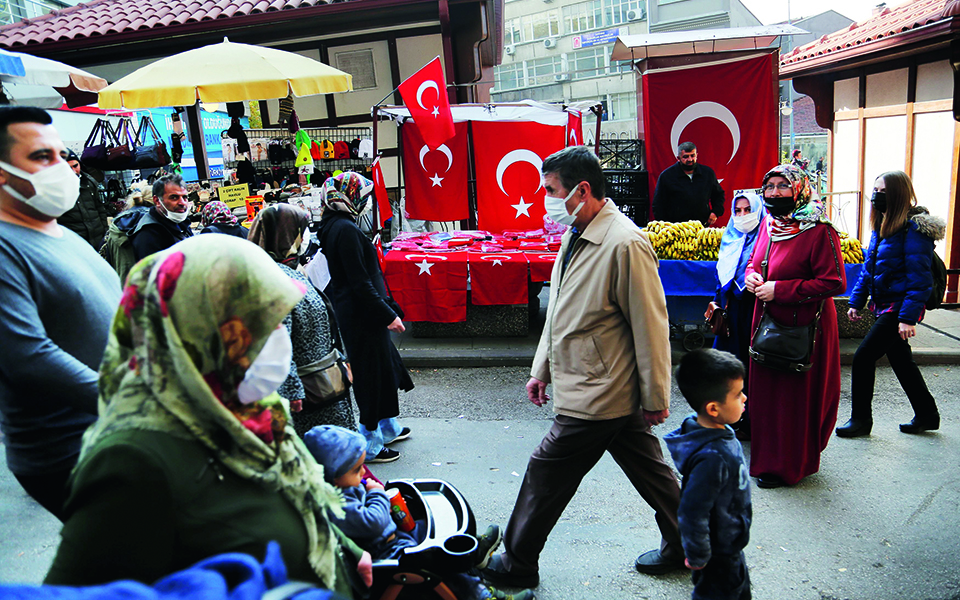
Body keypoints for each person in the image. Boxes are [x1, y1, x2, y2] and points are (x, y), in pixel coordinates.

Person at [44, 235, 372, 598]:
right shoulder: (133, 458)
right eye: (262, 325)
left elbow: (295, 497)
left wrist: (349, 552)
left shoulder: (256, 410)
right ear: (203, 331)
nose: (281, 339)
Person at [481, 146, 683, 590]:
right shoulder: (578, 231)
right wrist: (541, 369)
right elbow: (560, 314)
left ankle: (517, 563)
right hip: (591, 379)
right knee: (650, 470)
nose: (546, 199)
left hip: (600, 391)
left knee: (544, 471)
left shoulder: (625, 242)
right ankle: (690, 542)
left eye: (552, 190)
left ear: (583, 189)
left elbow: (651, 326)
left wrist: (656, 398)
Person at [0, 107, 121, 520]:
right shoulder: (5, 246)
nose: (61, 168)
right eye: (40, 157)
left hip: (120, 433)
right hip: (73, 448)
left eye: (60, 154)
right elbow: (28, 356)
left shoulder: (62, 232)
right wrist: (130, 396)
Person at [303, 425, 530, 600]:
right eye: (356, 470)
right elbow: (373, 522)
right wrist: (376, 493)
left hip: (392, 538)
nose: (364, 472)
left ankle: (471, 550)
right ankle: (481, 594)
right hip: (385, 553)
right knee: (442, 565)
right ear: (330, 477)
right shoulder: (336, 503)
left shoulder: (344, 486)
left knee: (445, 543)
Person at [744, 164, 846, 488]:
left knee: (792, 398)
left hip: (804, 327)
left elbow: (834, 282)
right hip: (766, 322)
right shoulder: (769, 226)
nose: (774, 193)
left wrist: (782, 290)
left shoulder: (819, 230)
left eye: (782, 186)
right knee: (767, 393)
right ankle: (766, 459)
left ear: (798, 189)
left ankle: (788, 466)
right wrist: (751, 277)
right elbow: (754, 261)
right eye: (769, 187)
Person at [836, 171, 944, 438]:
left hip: (899, 307)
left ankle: (861, 420)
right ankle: (927, 414)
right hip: (885, 304)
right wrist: (857, 300)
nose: (876, 196)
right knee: (901, 360)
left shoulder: (915, 230)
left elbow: (919, 280)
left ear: (898, 194)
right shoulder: (881, 224)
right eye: (875, 190)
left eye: (883, 191)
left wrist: (908, 318)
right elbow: (869, 269)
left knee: (863, 358)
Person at [317, 172, 414, 464]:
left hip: (360, 310)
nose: (368, 202)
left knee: (383, 369)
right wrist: (388, 315)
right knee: (371, 375)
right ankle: (370, 442)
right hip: (362, 314)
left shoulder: (334, 225)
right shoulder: (345, 229)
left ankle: (387, 426)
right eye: (363, 196)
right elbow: (359, 282)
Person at [248, 203, 359, 437]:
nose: (306, 236)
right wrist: (292, 391)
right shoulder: (273, 279)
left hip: (322, 381)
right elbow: (276, 341)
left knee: (334, 450)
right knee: (328, 451)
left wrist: (342, 360)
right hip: (310, 391)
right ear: (286, 234)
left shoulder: (287, 270)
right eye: (302, 229)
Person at [666, 349, 752, 600]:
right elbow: (692, 511)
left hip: (730, 543)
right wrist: (698, 555)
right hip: (718, 552)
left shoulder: (714, 431)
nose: (745, 398)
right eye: (737, 395)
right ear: (713, 408)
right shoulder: (712, 457)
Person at [707, 192, 766, 438]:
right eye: (738, 210)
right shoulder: (730, 236)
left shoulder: (767, 239)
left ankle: (751, 420)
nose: (742, 216)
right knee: (727, 365)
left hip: (753, 310)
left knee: (750, 367)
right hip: (730, 310)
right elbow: (723, 272)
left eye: (747, 210)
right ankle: (729, 416)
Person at [652, 142, 725, 226]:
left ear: (697, 155)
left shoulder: (707, 173)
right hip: (676, 228)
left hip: (702, 226)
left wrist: (715, 212)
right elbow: (658, 204)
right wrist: (665, 226)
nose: (690, 159)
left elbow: (719, 195)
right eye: (685, 157)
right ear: (678, 158)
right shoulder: (666, 176)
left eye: (692, 156)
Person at [129, 173, 193, 261]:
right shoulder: (148, 234)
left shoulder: (181, 224)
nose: (182, 203)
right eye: (174, 197)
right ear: (157, 201)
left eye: (185, 197)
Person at [57, 149, 107, 248]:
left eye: (75, 166)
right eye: (68, 167)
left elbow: (100, 208)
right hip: (75, 243)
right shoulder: (56, 189)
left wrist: (105, 230)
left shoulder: (89, 182)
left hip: (98, 239)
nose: (73, 171)